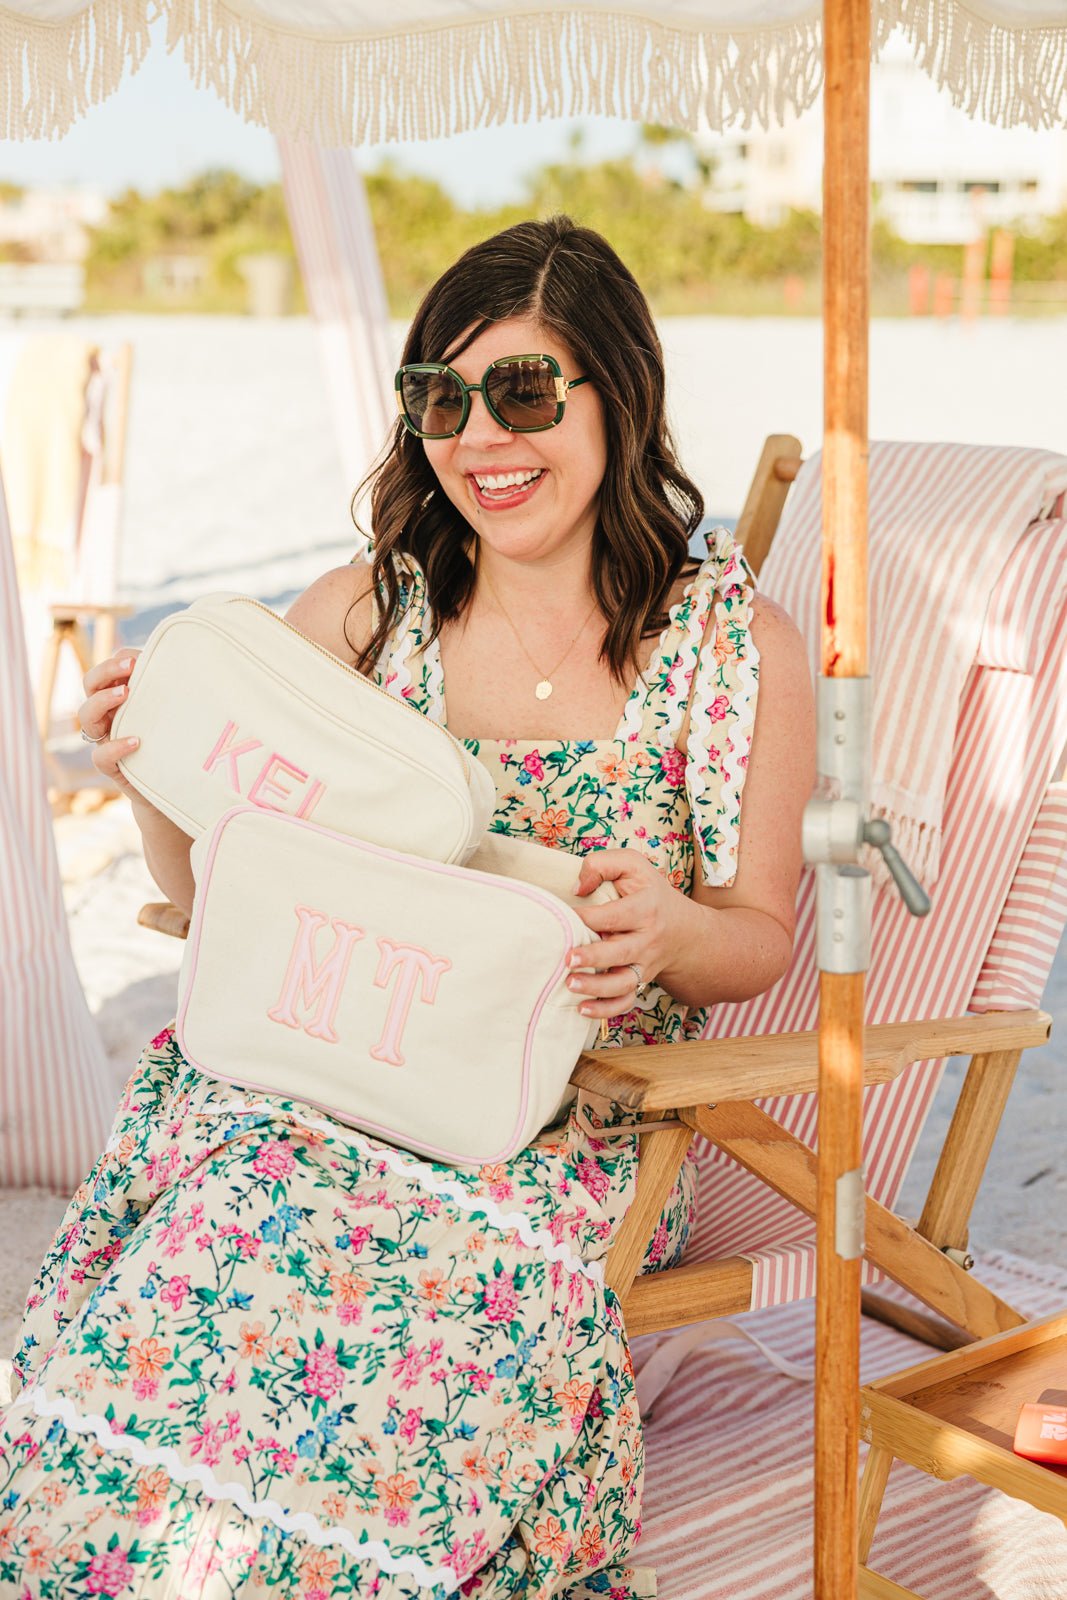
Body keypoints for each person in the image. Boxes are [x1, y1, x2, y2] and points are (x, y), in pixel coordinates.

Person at [1, 216, 813, 1598]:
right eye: (440, 396)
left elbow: (762, 932)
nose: (480, 438)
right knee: (216, 1278)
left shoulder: (731, 647)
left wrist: (671, 931)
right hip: (319, 1079)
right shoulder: (370, 619)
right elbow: (209, 899)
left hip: (551, 1125)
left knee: (383, 1358)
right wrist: (152, 774)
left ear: (623, 395)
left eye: (525, 391)